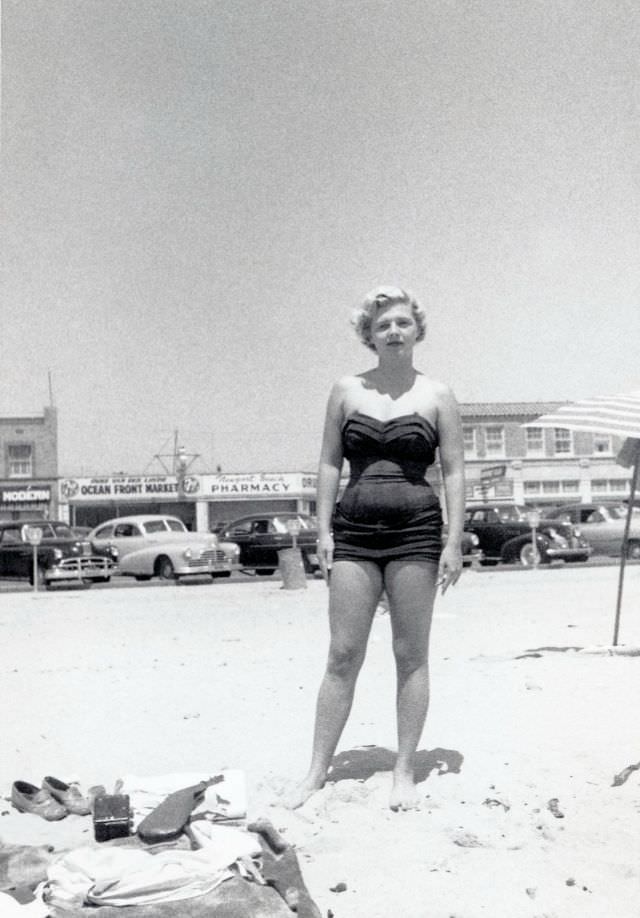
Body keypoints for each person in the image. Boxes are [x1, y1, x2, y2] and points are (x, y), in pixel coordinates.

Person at [287, 286, 465, 812]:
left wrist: (454, 539)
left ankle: (405, 771)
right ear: (369, 334)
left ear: (417, 331)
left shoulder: (438, 394)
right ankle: (316, 771)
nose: (393, 331)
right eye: (383, 324)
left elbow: (454, 471)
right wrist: (322, 531)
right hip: (354, 532)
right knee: (343, 653)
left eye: (402, 323)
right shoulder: (345, 390)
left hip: (417, 532)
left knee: (410, 654)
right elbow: (327, 464)